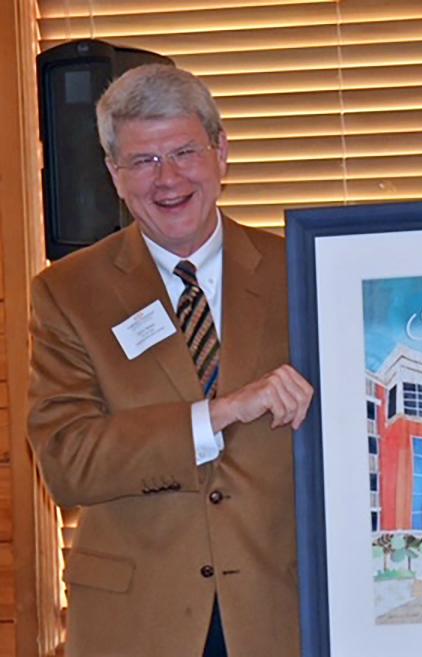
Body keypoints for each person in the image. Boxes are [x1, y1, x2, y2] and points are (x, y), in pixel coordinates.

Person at [27, 64, 314, 657]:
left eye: (184, 151)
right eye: (143, 161)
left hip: (282, 609)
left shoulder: (302, 273)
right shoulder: (67, 293)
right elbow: (67, 462)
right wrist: (217, 414)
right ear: (114, 175)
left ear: (221, 152)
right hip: (137, 621)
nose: (169, 179)